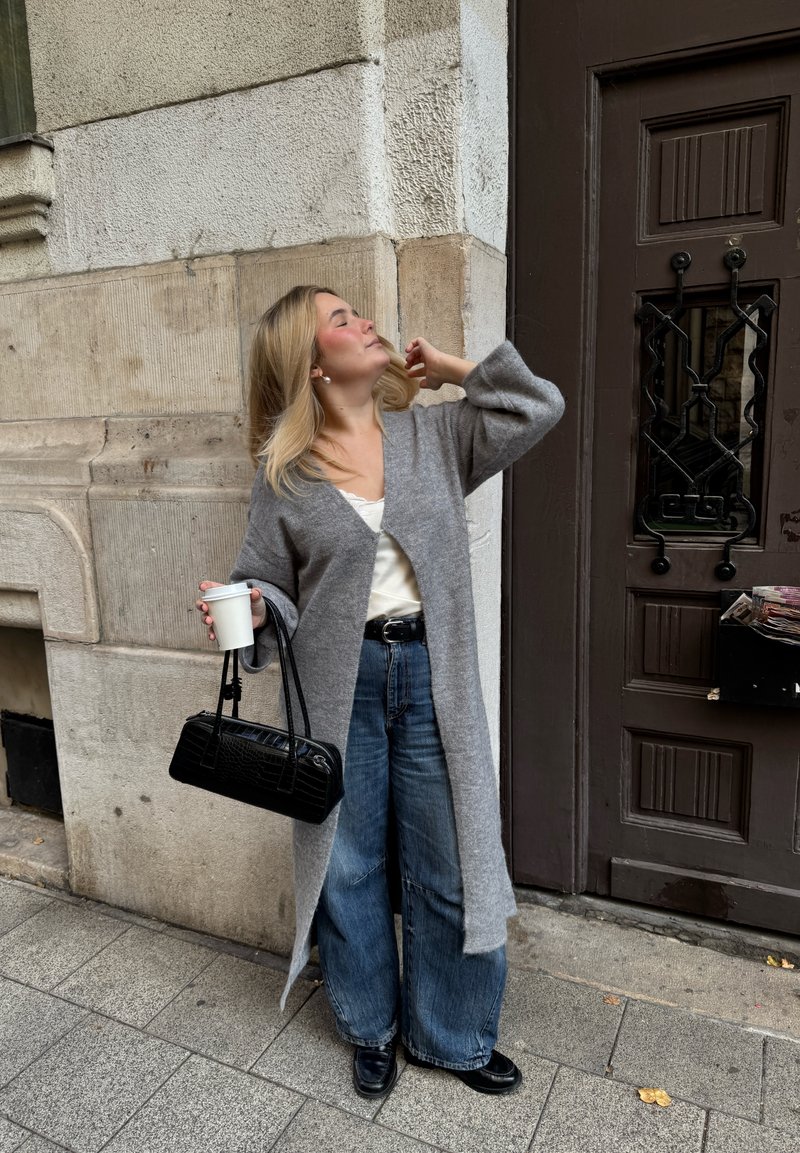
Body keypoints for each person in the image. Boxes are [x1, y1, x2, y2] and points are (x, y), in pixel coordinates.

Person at [196, 285, 564, 1099]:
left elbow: (538, 407)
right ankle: (370, 1026)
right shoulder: (285, 477)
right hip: (341, 686)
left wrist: (455, 369)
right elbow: (269, 585)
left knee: (451, 858)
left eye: (356, 312)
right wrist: (255, 606)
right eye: (339, 319)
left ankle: (454, 1033)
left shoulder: (433, 434)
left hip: (432, 673)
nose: (363, 321)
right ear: (312, 363)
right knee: (349, 864)